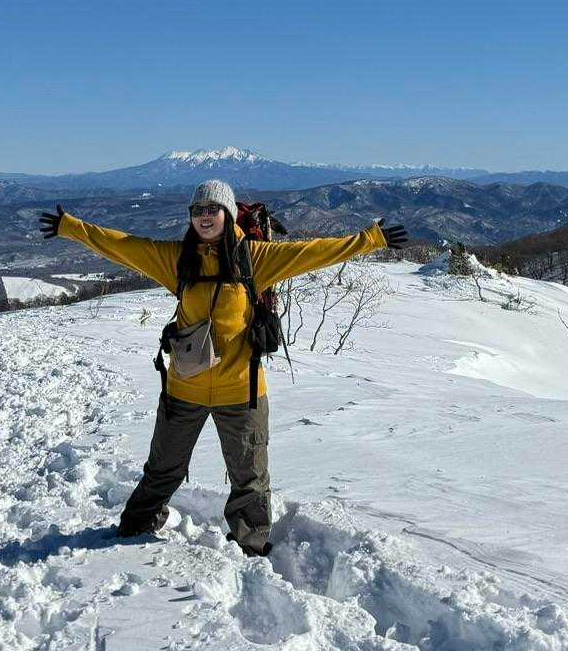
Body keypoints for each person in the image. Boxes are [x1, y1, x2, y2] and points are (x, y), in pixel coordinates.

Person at [41, 179, 407, 557]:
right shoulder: (177, 259)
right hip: (184, 390)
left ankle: (250, 545)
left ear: (228, 213)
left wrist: (371, 239)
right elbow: (123, 246)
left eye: (212, 209)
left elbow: (314, 252)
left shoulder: (255, 258)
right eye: (197, 210)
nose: (204, 217)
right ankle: (135, 531)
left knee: (250, 478)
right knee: (163, 469)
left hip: (241, 391)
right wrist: (71, 227)